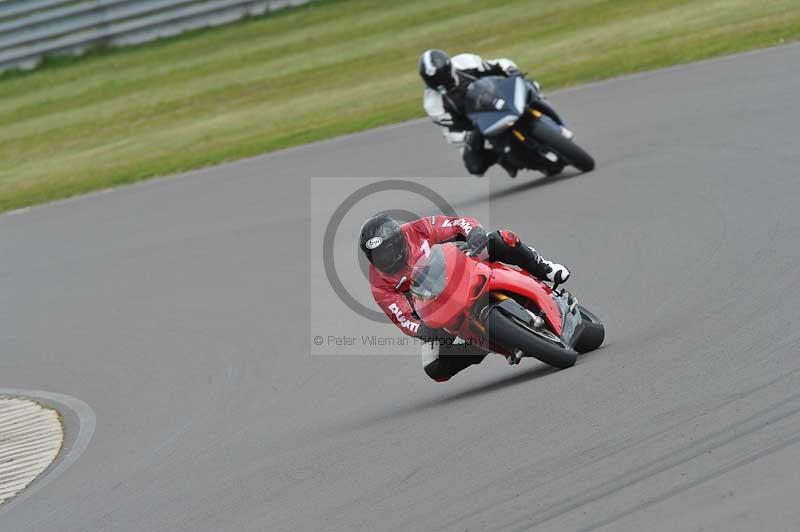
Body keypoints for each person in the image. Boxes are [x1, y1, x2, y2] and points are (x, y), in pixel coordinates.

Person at [359, 213, 570, 382]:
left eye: (385, 251)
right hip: (436, 309)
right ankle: (481, 345)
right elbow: (403, 318)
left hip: (462, 269)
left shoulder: (417, 229)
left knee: (499, 239)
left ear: (398, 240)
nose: (382, 259)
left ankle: (544, 268)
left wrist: (474, 232)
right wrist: (422, 330)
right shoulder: (379, 283)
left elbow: (458, 224)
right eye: (375, 255)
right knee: (435, 368)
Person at [419, 49, 542, 178]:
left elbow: (497, 64)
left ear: (449, 68)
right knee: (474, 167)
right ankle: (502, 158)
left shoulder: (464, 62)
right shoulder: (432, 104)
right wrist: (469, 136)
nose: (440, 82)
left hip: (496, 96)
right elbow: (453, 128)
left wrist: (512, 71)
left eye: (441, 76)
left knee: (529, 84)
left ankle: (540, 104)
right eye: (433, 81)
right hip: (472, 124)